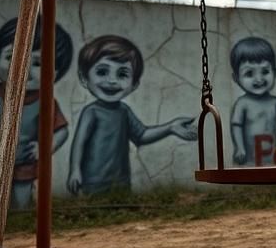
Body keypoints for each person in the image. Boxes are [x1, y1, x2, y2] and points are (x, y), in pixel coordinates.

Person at [67, 34, 196, 193]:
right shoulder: (91, 112)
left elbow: (141, 135)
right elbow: (79, 143)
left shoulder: (124, 111)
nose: (112, 80)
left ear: (134, 84)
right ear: (84, 78)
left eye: (122, 74)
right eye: (102, 72)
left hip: (121, 181)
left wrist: (170, 127)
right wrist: (75, 170)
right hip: (92, 182)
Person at [0, 17, 73, 211]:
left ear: (56, 73)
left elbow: (61, 131)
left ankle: (20, 223)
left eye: (37, 62)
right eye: (12, 58)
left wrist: (45, 148)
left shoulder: (45, 101)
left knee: (22, 196)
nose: (23, 69)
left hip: (24, 161)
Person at [229, 36, 276, 165]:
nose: (259, 79)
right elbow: (236, 126)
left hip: (273, 157)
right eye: (250, 73)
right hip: (250, 158)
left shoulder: (275, 102)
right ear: (236, 78)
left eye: (265, 71)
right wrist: (239, 148)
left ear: (275, 72)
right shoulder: (242, 103)